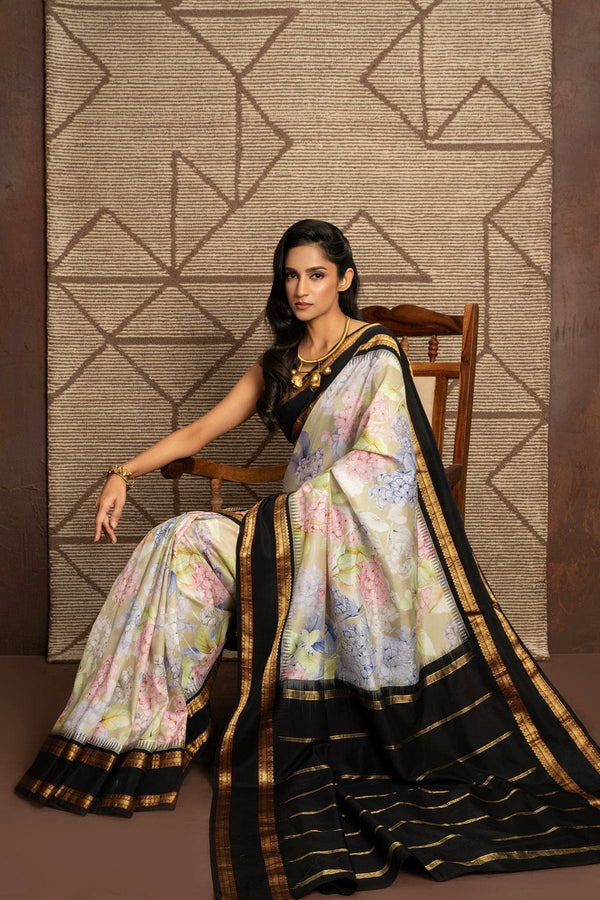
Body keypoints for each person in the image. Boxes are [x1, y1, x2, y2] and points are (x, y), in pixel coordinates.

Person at [16, 220, 600, 898]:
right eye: (291, 275)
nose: (301, 288)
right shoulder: (276, 365)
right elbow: (201, 430)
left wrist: (285, 520)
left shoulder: (376, 355)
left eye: (316, 275)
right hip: (294, 530)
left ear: (344, 279)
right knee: (174, 541)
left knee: (199, 536)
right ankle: (144, 734)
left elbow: (381, 467)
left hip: (349, 540)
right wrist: (122, 472)